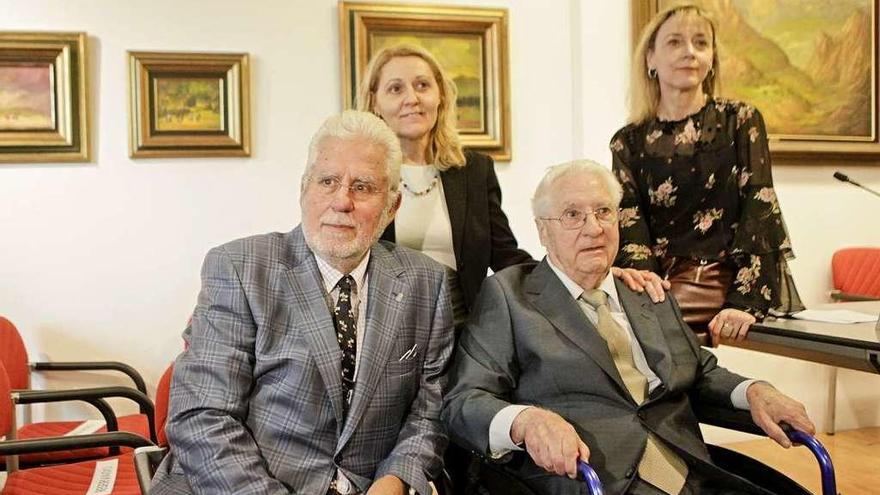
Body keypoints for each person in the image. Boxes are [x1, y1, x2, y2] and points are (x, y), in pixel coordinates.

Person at [442, 160, 815, 494]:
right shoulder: (510, 296)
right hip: (591, 479)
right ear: (542, 231)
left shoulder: (645, 290)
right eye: (572, 215)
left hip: (691, 468)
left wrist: (753, 391)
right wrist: (526, 421)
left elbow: (699, 371)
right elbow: (464, 401)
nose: (594, 229)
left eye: (603, 211)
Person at [150, 111, 454, 495]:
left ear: (392, 207)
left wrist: (395, 480)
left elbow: (429, 414)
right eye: (327, 181)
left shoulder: (427, 283)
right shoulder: (240, 268)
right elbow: (202, 417)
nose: (342, 201)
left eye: (363, 187)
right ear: (304, 190)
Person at [610, 4, 803, 344]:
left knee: (643, 347)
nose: (690, 52)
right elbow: (630, 224)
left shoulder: (740, 120)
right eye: (675, 42)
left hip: (717, 277)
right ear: (650, 59)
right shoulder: (628, 141)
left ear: (712, 57)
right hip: (653, 283)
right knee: (597, 332)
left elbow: (760, 206)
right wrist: (648, 290)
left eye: (701, 43)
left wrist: (745, 300)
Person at [356, 44, 533, 327]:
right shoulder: (360, 174)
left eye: (422, 85)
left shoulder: (474, 170)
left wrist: (576, 275)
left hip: (466, 330)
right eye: (395, 89)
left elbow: (506, 257)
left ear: (440, 95)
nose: (411, 98)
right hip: (385, 328)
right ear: (375, 103)